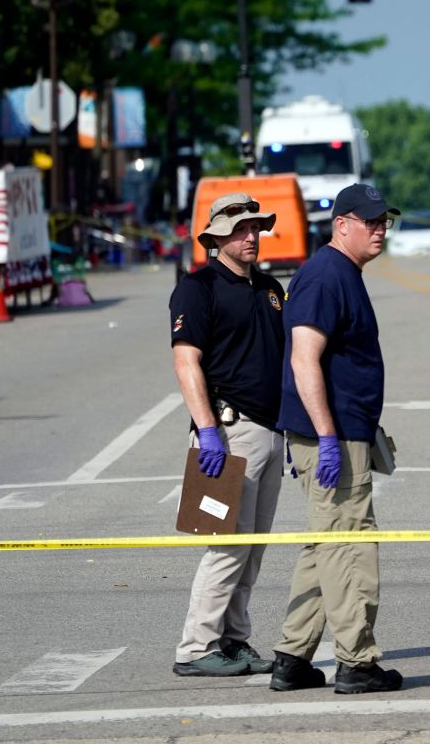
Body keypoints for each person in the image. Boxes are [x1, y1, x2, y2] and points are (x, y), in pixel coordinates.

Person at [270, 183, 401, 695]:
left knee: (325, 544)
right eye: (369, 221)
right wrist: (328, 438)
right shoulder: (326, 275)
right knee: (350, 545)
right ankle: (358, 663)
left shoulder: (341, 272)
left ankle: (292, 655)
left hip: (343, 431)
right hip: (333, 435)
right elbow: (305, 358)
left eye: (384, 221)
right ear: (340, 223)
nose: (379, 229)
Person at [168, 193, 286, 678]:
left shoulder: (270, 288)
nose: (252, 236)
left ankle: (234, 640)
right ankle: (196, 648)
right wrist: (208, 431)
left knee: (252, 548)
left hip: (270, 431)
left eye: (256, 227)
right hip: (229, 432)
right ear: (215, 237)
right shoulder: (198, 288)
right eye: (240, 229)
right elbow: (186, 360)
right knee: (226, 545)